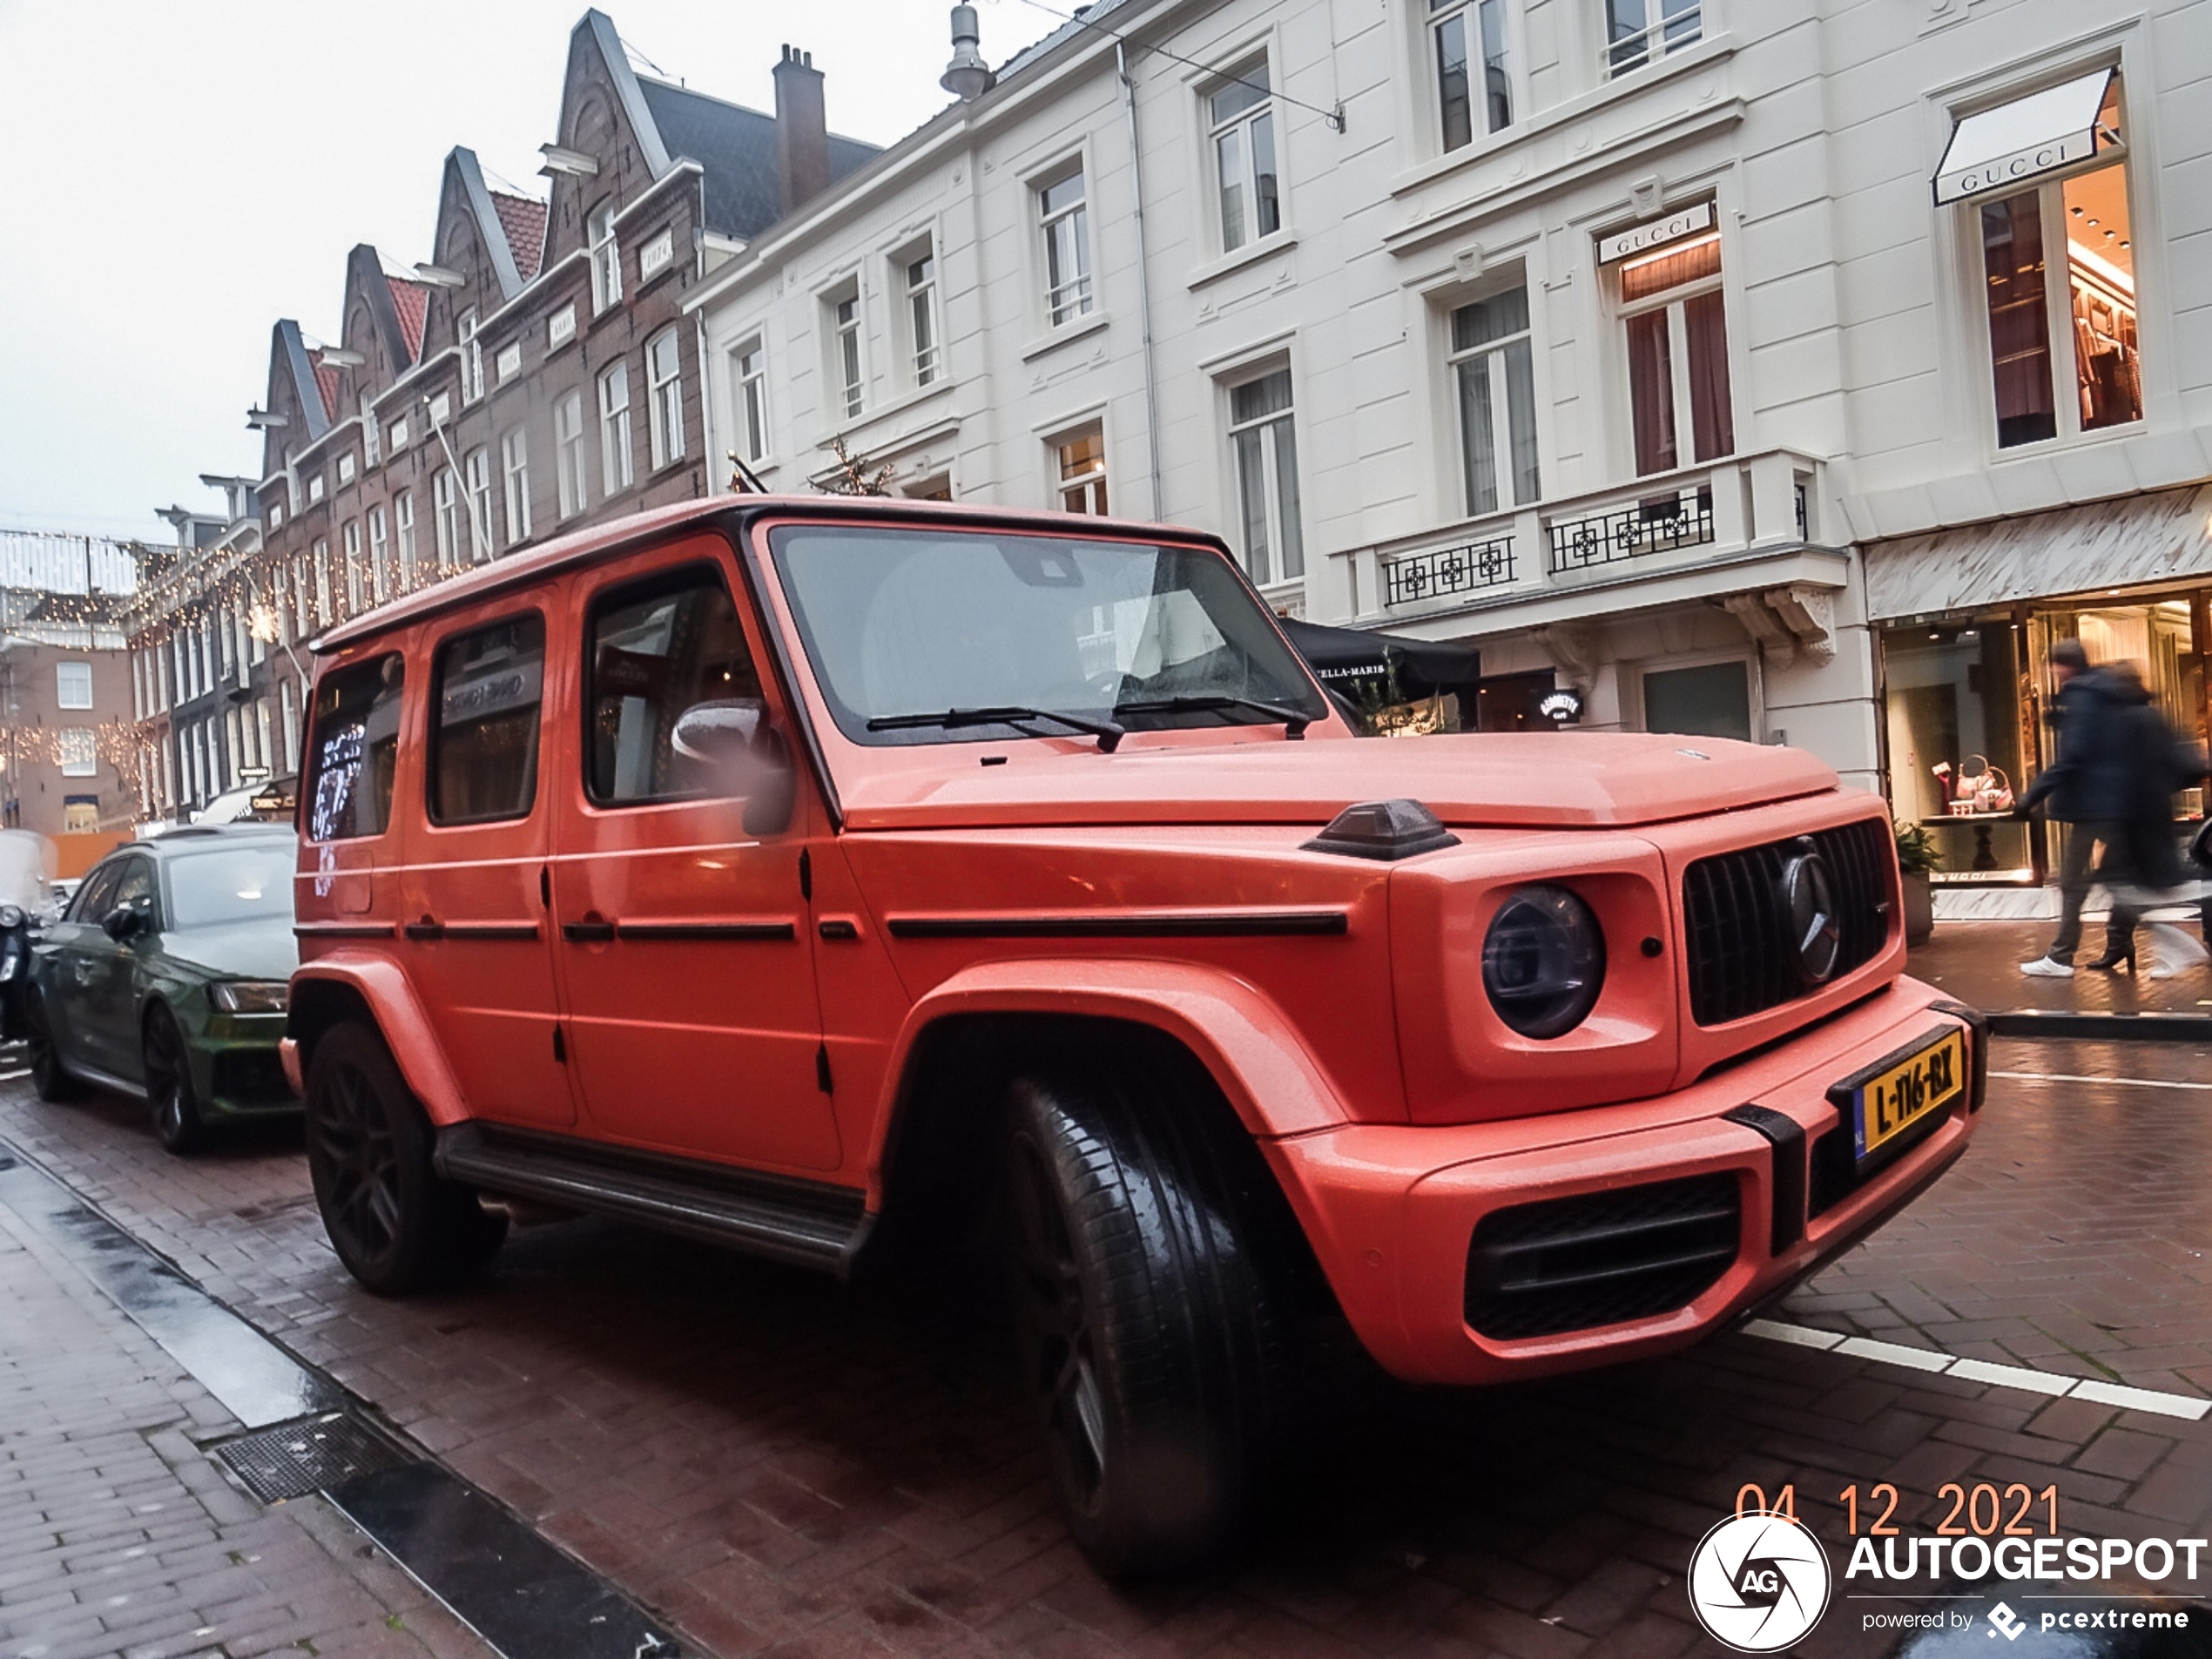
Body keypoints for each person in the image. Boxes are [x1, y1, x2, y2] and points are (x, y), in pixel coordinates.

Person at [2014, 639, 2130, 977]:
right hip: (2117, 802)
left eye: (2054, 666)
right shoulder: (2106, 693)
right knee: (2120, 879)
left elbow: (2073, 757)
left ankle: (2061, 956)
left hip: (2091, 806)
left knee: (2072, 882)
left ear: (2063, 666)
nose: (2053, 673)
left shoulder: (2081, 696)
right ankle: (2121, 940)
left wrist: (2031, 797)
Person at [2094, 661, 2210, 979]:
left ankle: (2175, 948)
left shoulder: (2127, 720)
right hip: (2149, 818)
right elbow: (2181, 764)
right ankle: (2167, 950)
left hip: (2135, 820)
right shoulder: (2148, 715)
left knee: (2128, 888)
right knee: (2137, 888)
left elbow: (2121, 773)